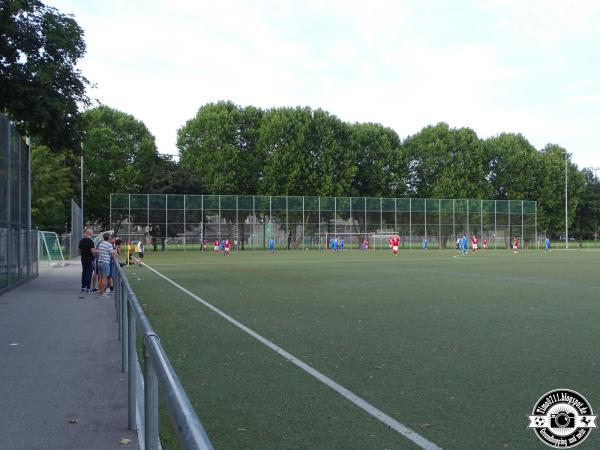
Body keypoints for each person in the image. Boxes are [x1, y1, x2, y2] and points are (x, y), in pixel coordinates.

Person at [97, 232, 117, 299]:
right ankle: (102, 294)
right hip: (105, 263)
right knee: (104, 279)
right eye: (110, 236)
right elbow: (112, 254)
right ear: (109, 238)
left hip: (99, 262)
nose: (111, 237)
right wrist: (115, 252)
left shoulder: (101, 243)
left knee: (100, 279)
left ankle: (100, 293)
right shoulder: (109, 245)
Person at [78, 229, 95, 298]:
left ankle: (83, 287)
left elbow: (79, 252)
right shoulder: (90, 241)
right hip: (89, 259)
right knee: (89, 273)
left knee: (84, 272)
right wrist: (99, 251)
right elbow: (93, 251)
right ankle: (88, 288)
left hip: (83, 259)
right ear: (91, 233)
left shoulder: (81, 241)